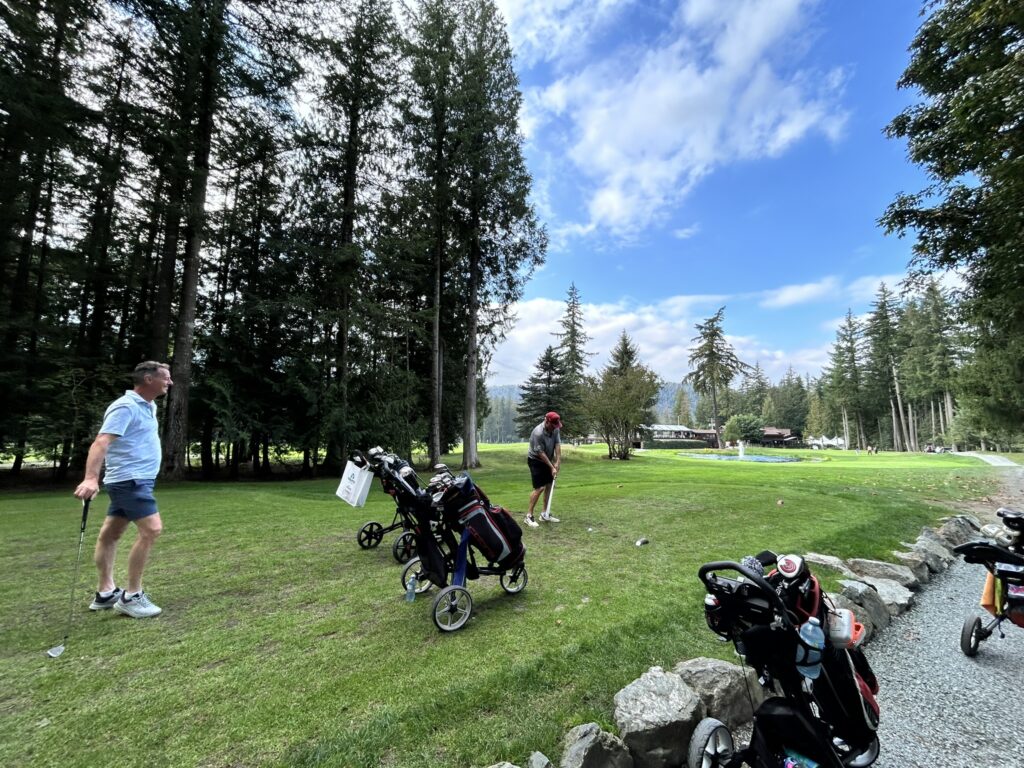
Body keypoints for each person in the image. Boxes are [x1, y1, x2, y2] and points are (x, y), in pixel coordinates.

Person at [73, 361, 172, 618]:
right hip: (131, 481)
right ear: (149, 379)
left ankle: (106, 592)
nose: (169, 382)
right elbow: (101, 441)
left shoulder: (148, 406)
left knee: (111, 533)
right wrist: (91, 478)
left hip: (135, 480)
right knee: (152, 530)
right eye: (165, 378)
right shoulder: (126, 406)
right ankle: (132, 596)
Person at [525, 411, 562, 528]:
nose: (555, 428)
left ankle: (544, 514)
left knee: (549, 485)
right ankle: (528, 516)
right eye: (553, 425)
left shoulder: (555, 429)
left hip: (548, 459)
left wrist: (558, 461)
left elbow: (557, 444)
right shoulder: (538, 433)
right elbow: (540, 453)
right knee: (540, 488)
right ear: (547, 422)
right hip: (535, 460)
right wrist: (551, 467)